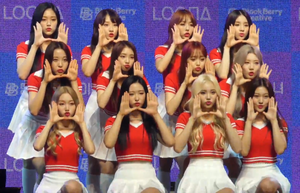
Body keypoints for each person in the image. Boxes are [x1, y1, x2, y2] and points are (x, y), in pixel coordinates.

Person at [7, 3, 68, 192]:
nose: (49, 24)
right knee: (28, 159)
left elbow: (66, 78)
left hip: (52, 107)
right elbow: (22, 74)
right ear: (36, 22)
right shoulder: (24, 46)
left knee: (46, 159)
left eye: (53, 19)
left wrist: (63, 46)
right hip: (31, 105)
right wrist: (35, 46)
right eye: (44, 19)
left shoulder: (60, 48)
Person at [7, 41, 82, 192]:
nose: (60, 64)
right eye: (55, 60)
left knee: (45, 170)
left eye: (64, 60)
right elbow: (34, 110)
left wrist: (73, 81)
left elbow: (80, 111)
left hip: (56, 128)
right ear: (47, 61)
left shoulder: (72, 79)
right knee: (35, 165)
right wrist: (45, 82)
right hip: (35, 125)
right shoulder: (35, 78)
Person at [89, 40, 150, 192]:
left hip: (128, 121)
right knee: (104, 166)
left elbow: (152, 104)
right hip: (105, 120)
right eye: (123, 56)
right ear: (115, 58)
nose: (128, 61)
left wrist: (142, 81)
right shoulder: (105, 76)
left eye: (131, 57)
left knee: (119, 165)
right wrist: (114, 80)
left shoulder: (136, 78)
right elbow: (102, 103)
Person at [154, 9, 203, 192]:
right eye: (183, 24)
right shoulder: (163, 49)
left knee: (187, 160)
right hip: (170, 104)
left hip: (190, 109)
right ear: (174, 26)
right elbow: (161, 67)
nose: (187, 28)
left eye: (191, 24)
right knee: (165, 161)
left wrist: (195, 45)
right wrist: (175, 45)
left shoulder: (196, 50)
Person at [157, 41, 214, 191]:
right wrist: (184, 84)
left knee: (188, 165)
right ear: (185, 59)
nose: (198, 64)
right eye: (193, 59)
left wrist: (212, 80)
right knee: (165, 162)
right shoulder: (173, 77)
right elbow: (170, 109)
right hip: (174, 122)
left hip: (198, 124)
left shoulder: (207, 80)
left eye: (202, 59)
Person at [81, 9, 127, 192]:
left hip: (118, 107)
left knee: (112, 162)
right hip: (97, 108)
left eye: (114, 24)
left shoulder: (122, 50)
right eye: (106, 24)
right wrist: (99, 46)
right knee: (94, 161)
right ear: (98, 27)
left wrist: (124, 44)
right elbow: (87, 71)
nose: (111, 28)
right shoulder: (89, 50)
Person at [104, 75, 174, 193]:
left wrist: (156, 114)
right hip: (124, 177)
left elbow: (170, 142)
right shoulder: (114, 120)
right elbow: (109, 143)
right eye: (131, 94)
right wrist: (121, 115)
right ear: (124, 96)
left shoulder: (151, 122)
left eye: (141, 93)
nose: (137, 98)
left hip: (148, 176)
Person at [174, 74, 241, 193]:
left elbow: (237, 147)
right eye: (203, 93)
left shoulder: (226, 118)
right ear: (195, 95)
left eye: (213, 92)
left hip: (218, 172)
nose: (209, 97)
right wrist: (193, 119)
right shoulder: (186, 117)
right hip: (194, 173)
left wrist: (225, 119)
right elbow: (178, 147)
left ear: (218, 95)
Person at [218, 44, 271, 183]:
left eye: (256, 63)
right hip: (229, 133)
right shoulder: (227, 84)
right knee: (234, 165)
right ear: (239, 64)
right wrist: (235, 86)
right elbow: (226, 115)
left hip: (249, 132)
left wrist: (264, 85)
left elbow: (267, 115)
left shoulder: (260, 85)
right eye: (247, 63)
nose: (252, 67)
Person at [34, 86, 94, 193]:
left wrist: (82, 123)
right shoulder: (46, 129)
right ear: (55, 106)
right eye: (62, 104)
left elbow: (90, 150)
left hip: (72, 182)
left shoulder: (79, 132)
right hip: (49, 182)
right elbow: (37, 146)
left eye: (71, 104)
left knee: (72, 186)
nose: (67, 108)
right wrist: (50, 122)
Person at [235, 78, 290, 193]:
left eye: (265, 97)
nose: (261, 101)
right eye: (256, 96)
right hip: (248, 174)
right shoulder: (240, 123)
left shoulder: (280, 122)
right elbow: (244, 151)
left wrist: (274, 120)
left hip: (271, 172)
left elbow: (280, 150)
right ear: (249, 98)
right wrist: (249, 121)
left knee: (268, 185)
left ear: (271, 99)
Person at [209, 10, 259, 80]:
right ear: (229, 27)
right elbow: (223, 75)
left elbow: (258, 76)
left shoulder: (249, 52)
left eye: (246, 25)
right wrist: (227, 47)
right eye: (237, 25)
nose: (242, 29)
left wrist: (255, 47)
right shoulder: (216, 53)